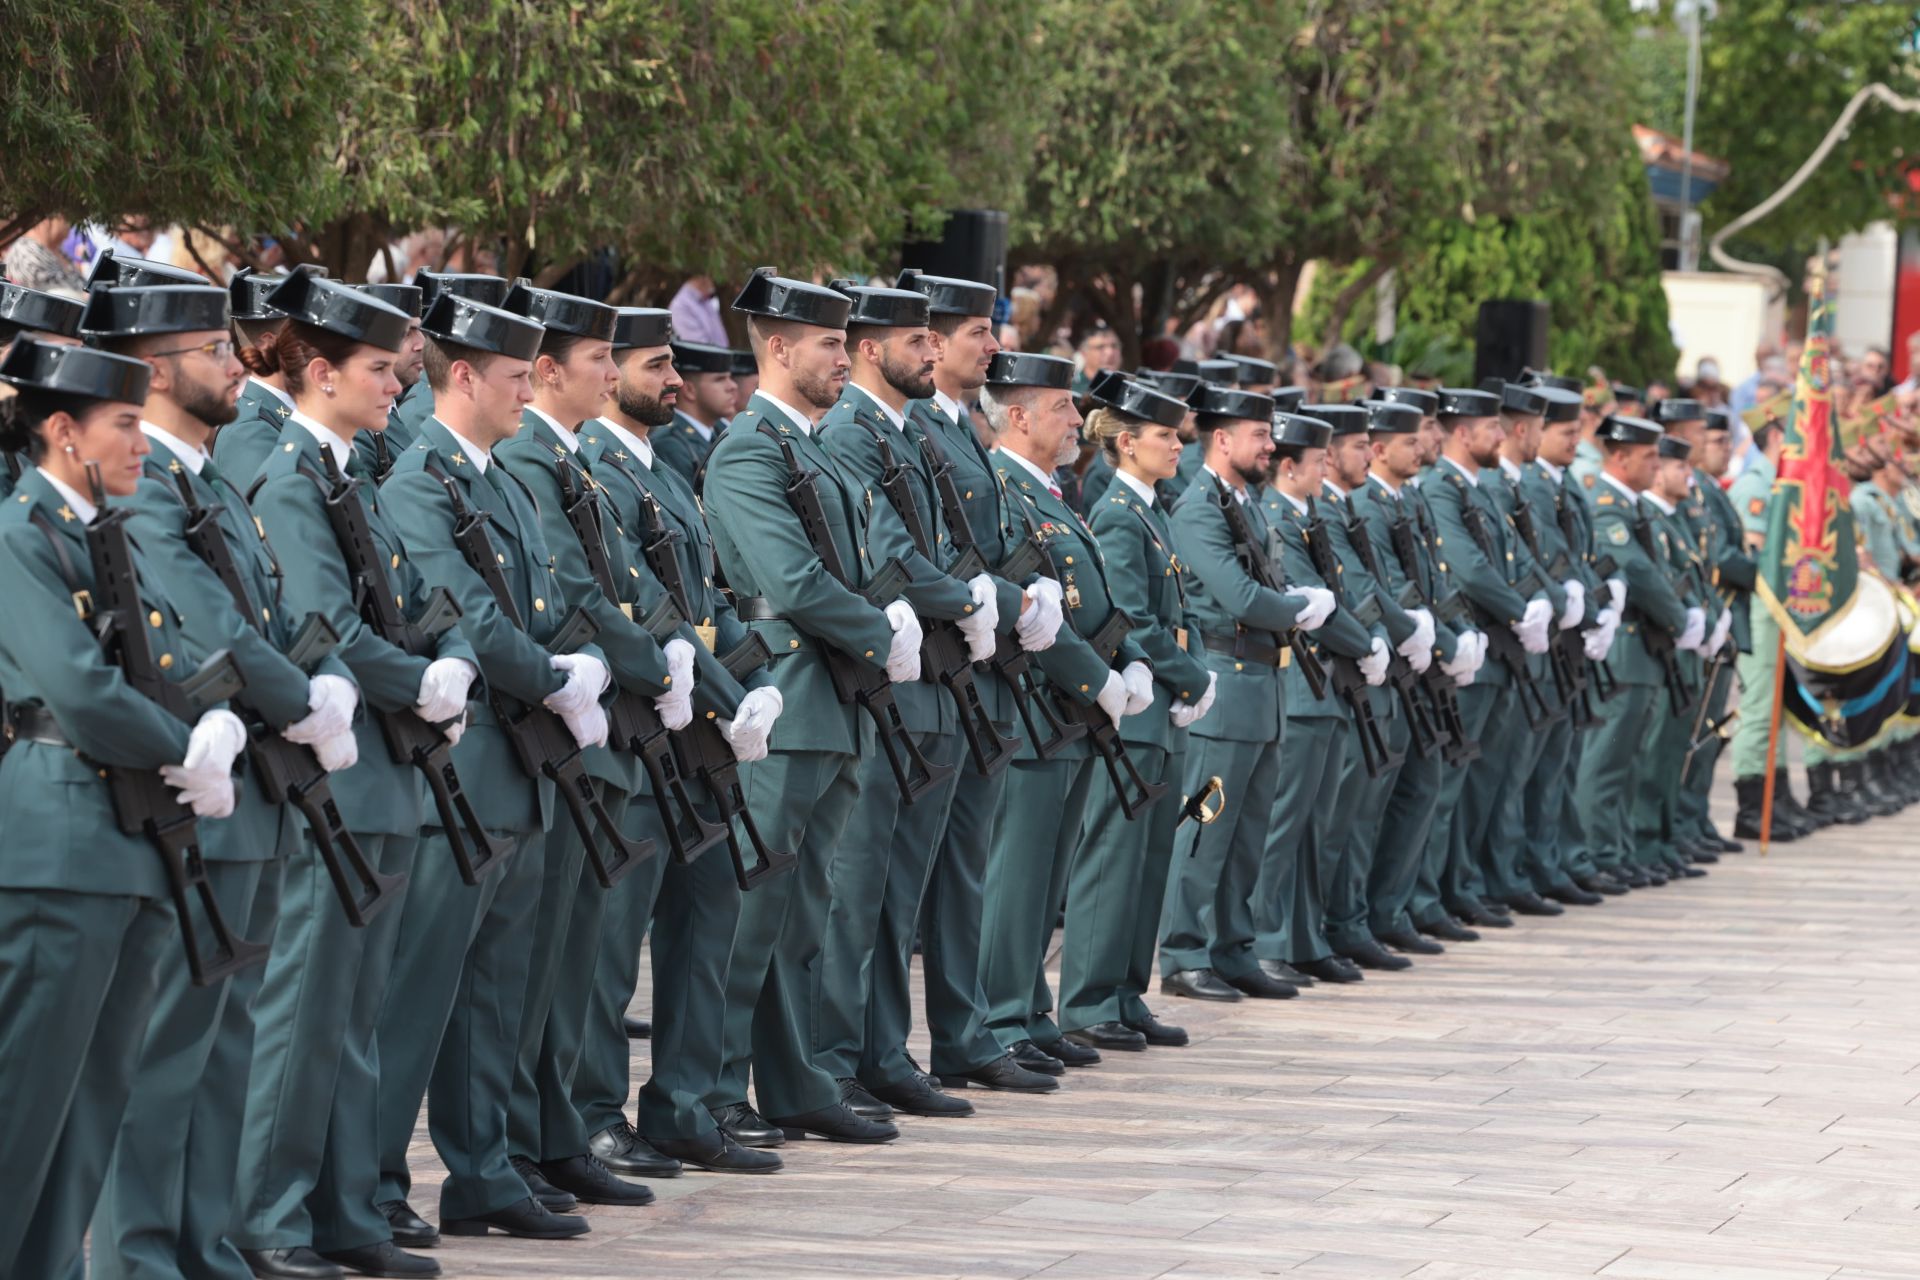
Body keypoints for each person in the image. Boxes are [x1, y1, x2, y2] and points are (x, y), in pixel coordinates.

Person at [75, 279, 358, 1280]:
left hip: (254, 792)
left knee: (225, 1042)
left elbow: (266, 617)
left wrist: (316, 677)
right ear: (153, 368)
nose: (240, 360)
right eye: (215, 347)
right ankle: (143, 1256)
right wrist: (303, 699)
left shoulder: (202, 481)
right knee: (166, 1050)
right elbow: (211, 625)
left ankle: (207, 1242)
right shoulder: (144, 488)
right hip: (193, 793)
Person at [231, 273, 475, 1280]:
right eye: (378, 368)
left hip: (387, 771)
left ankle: (343, 1205)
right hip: (339, 773)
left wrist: (444, 651)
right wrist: (422, 674)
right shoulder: (291, 480)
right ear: (318, 370)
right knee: (305, 1003)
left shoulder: (348, 477)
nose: (395, 383)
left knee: (353, 1005)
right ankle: (269, 1214)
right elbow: (323, 629)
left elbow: (409, 595)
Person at [0, 338, 246, 1279]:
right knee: (25, 1108)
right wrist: (184, 743)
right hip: (58, 845)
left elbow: (169, 659)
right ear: (65, 433)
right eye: (126, 424)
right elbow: (79, 688)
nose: (144, 442)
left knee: (90, 1107)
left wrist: (216, 718)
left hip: (130, 843)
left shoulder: (103, 531)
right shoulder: (22, 534)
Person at [374, 289, 612, 1244]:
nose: (528, 391)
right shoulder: (416, 484)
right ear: (462, 375)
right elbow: (465, 617)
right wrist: (558, 673)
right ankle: (375, 1182)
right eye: (516, 376)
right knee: (417, 999)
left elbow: (542, 596)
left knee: (492, 995)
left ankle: (481, 1174)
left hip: (519, 768)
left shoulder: (502, 479)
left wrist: (572, 659)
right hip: (462, 773)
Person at [699, 268, 917, 1146]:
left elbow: (854, 561)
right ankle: (711, 1090)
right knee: (750, 913)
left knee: (802, 913)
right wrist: (879, 628)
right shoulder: (751, 448)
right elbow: (789, 579)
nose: (841, 357)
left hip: (834, 697)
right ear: (778, 348)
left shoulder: (819, 447)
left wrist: (882, 616)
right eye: (829, 343)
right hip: (788, 694)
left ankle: (793, 1083)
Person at [574, 307, 783, 1174]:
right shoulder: (593, 470)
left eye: (670, 364)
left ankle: (684, 1103)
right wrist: (720, 682)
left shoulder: (665, 466)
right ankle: (592, 1110)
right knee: (614, 938)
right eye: (654, 365)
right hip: (639, 730)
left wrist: (753, 678)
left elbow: (711, 599)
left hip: (698, 730)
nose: (672, 379)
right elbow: (636, 613)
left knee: (711, 911)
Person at [495, 283, 684, 1212]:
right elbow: (576, 593)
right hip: (569, 727)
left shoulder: (571, 463)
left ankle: (555, 1131)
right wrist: (658, 663)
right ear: (545, 373)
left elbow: (619, 583)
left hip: (605, 726)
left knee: (571, 957)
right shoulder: (532, 460)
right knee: (539, 964)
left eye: (618, 360)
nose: (611, 376)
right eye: (601, 361)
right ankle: (520, 1141)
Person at [815, 281, 991, 1120]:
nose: (932, 353)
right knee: (856, 890)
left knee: (896, 891)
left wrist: (979, 589)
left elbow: (949, 536)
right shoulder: (851, 430)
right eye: (916, 340)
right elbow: (884, 553)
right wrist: (965, 599)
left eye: (933, 338)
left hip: (934, 679)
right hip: (889, 677)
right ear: (868, 349)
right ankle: (836, 1057)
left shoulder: (912, 431)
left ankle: (882, 1050)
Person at [893, 270, 1062, 1097]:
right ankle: (885, 1049)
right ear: (928, 341)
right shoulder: (915, 426)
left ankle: (963, 1032)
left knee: (962, 868)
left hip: (982, 669)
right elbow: (930, 551)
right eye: (975, 333)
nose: (992, 345)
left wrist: (1032, 593)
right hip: (935, 662)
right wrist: (1000, 596)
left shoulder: (959, 425)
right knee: (902, 880)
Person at [977, 351, 1148, 1068]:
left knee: (1047, 875)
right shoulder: (1004, 492)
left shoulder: (1051, 492)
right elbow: (1036, 616)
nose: (1077, 419)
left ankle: (1031, 1008)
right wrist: (1096, 681)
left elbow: (1091, 603)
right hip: (1039, 708)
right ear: (1017, 416)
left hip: (1075, 716)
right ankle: (1001, 1016)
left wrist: (1129, 660)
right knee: (1018, 876)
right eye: (1061, 407)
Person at [1158, 383, 1334, 1001]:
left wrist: (1291, 607)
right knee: (1205, 829)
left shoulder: (1246, 504)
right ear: (1222, 438)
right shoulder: (1199, 508)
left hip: (1264, 686)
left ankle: (1234, 949)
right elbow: (1238, 596)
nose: (1270, 444)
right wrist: (1300, 608)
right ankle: (1183, 954)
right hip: (1225, 684)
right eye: (1259, 434)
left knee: (1248, 836)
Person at [1060, 372, 1213, 1049]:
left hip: (1162, 708)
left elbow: (1175, 613)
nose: (1177, 445)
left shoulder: (1149, 509)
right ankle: (1089, 1000)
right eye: (1163, 435)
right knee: (1113, 858)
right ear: (1127, 442)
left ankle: (1125, 992)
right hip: (1136, 706)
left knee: (1150, 857)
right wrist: (1186, 679)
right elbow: (1134, 622)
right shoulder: (1121, 514)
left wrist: (1192, 676)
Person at [1252, 406, 1389, 986]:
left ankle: (1304, 938)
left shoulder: (1314, 514)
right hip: (1304, 683)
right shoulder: (1278, 518)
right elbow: (1312, 605)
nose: (1326, 467)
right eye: (1318, 460)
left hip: (1328, 684)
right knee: (1283, 825)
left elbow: (1346, 591)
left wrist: (1369, 639)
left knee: (1316, 824)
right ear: (1291, 467)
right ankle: (1264, 939)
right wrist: (1366, 644)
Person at [1417, 388, 1558, 932]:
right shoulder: (1442, 489)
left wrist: (1542, 600)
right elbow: (1469, 568)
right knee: (1450, 786)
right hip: (1472, 648)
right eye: (1490, 428)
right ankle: (1435, 895)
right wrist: (1522, 609)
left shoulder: (1479, 489)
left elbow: (1514, 556)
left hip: (1500, 649)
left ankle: (1462, 884)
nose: (1501, 436)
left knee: (1483, 782)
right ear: (1461, 433)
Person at [1346, 394, 1481, 952]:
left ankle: (1397, 907)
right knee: (1379, 799)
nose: (1426, 442)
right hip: (1400, 662)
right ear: (1379, 449)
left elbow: (1432, 578)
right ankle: (1372, 914)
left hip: (1424, 663)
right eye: (1413, 436)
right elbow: (1388, 587)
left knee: (1423, 786)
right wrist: (1432, 635)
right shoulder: (1368, 505)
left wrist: (1460, 630)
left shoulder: (1409, 500)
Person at [1572, 415, 1703, 890]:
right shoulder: (1608, 509)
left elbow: (1666, 570)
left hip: (1646, 650)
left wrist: (1690, 612)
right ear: (1620, 458)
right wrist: (1681, 617)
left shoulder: (1635, 508)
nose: (1656, 464)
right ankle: (1597, 852)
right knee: (1606, 762)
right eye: (1648, 456)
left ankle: (1620, 848)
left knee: (1627, 764)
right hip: (1625, 650)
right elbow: (1640, 574)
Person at [1726, 418, 1827, 836]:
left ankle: (1776, 795)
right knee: (1759, 707)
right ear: (1776, 437)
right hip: (1759, 611)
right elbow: (1757, 555)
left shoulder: (1784, 484)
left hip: (1780, 612)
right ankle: (1752, 807)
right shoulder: (1756, 485)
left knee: (1776, 709)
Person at [654, 340, 734, 486]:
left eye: (730, 378)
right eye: (720, 379)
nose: (732, 386)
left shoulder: (721, 431)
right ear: (690, 390)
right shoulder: (671, 444)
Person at [3, 215, 86, 293]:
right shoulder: (25, 252)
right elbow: (57, 295)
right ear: (48, 219)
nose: (69, 226)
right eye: (66, 218)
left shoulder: (56, 250)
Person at [668, 273, 729, 347]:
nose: (713, 284)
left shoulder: (706, 301)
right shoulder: (680, 305)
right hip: (709, 358)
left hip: (721, 356)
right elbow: (698, 346)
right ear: (702, 278)